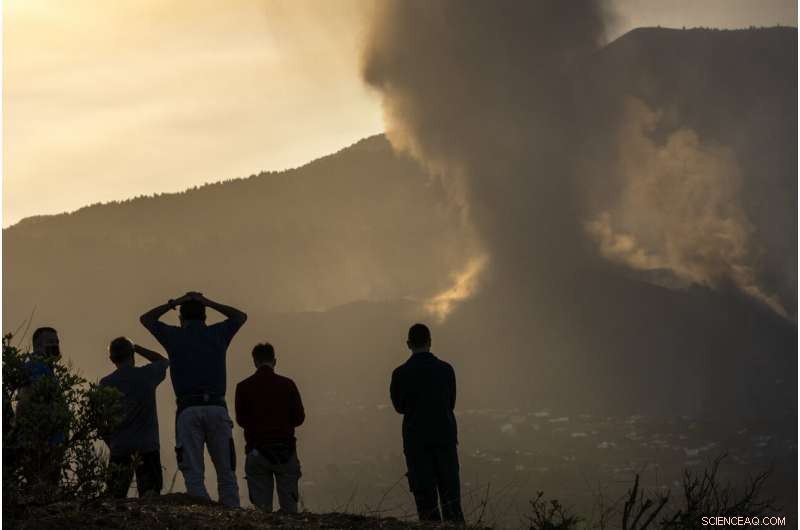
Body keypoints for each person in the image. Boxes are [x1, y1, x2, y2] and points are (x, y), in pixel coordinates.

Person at [140, 291, 247, 507]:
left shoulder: (174, 336)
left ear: (181, 319)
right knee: (226, 473)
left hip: (188, 410)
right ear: (205, 317)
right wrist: (209, 301)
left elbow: (146, 319)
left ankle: (203, 517)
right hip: (217, 408)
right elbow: (240, 316)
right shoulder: (218, 333)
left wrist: (175, 302)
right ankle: (232, 516)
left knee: (194, 474)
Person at [390, 323, 464, 523]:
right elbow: (451, 402)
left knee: (426, 502)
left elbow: (399, 407)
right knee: (451, 500)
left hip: (416, 443)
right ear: (430, 342)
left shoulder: (400, 374)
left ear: (408, 344)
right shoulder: (446, 370)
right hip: (444, 439)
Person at [235, 343, 305, 513]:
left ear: (254, 361)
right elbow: (299, 418)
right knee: (290, 510)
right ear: (275, 361)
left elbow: (241, 420)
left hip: (257, 451)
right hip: (286, 452)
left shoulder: (243, 386)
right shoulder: (288, 384)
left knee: (262, 512)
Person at [99, 337, 169, 498]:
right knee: (150, 493)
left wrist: (112, 442)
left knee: (115, 495)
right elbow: (163, 361)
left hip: (120, 446)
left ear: (111, 359)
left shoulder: (106, 383)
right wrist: (136, 347)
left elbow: (99, 421)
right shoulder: (147, 374)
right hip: (147, 446)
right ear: (132, 354)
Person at [14, 326, 68, 490]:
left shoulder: (44, 368)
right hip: (42, 441)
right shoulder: (36, 368)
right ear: (37, 345)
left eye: (56, 342)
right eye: (50, 342)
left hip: (49, 440)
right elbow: (33, 400)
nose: (55, 345)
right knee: (41, 487)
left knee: (47, 488)